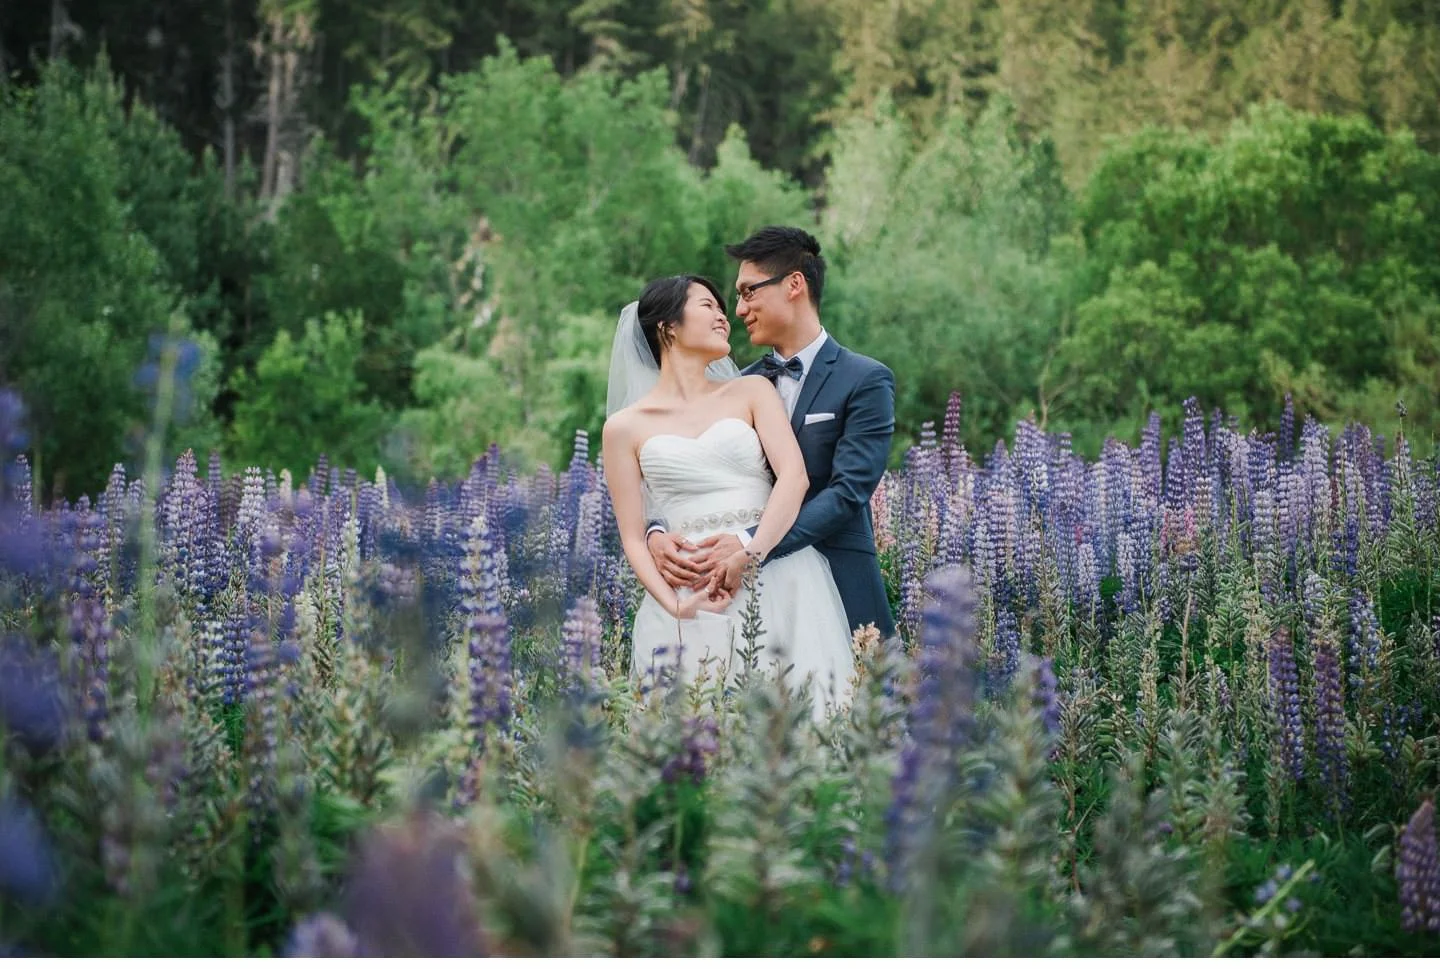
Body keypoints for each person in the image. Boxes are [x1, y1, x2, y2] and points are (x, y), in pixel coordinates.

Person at [601, 273, 856, 721]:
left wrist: (750, 554)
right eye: (708, 306)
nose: (725, 315)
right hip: (691, 593)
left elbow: (793, 478)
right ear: (668, 327)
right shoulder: (623, 427)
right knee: (691, 734)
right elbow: (634, 537)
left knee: (798, 725)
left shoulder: (752, 390)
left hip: (776, 576)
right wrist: (675, 603)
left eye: (723, 307)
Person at [646, 226, 897, 641]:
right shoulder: (738, 388)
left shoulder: (865, 379)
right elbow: (682, 463)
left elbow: (847, 492)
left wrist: (751, 545)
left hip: (837, 576)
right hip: (742, 596)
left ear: (794, 284)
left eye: (748, 292)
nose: (739, 311)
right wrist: (656, 532)